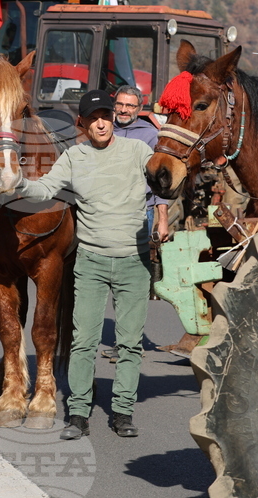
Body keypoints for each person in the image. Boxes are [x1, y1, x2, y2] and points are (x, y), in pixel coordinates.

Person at [15, 89, 155, 439]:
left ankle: (122, 412)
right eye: (93, 118)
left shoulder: (138, 151)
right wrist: (14, 184)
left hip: (133, 262)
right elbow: (45, 189)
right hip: (90, 262)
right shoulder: (74, 157)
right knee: (84, 341)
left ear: (114, 118)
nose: (102, 122)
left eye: (106, 115)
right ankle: (78, 413)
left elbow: (164, 181)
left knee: (129, 343)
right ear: (83, 123)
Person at [100, 85, 171, 362]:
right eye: (120, 104)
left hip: (140, 213)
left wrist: (162, 217)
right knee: (101, 277)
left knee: (132, 282)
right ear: (113, 104)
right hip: (104, 213)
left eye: (130, 106)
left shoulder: (151, 135)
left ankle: (130, 343)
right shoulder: (104, 129)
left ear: (138, 108)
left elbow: (160, 181)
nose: (124, 110)